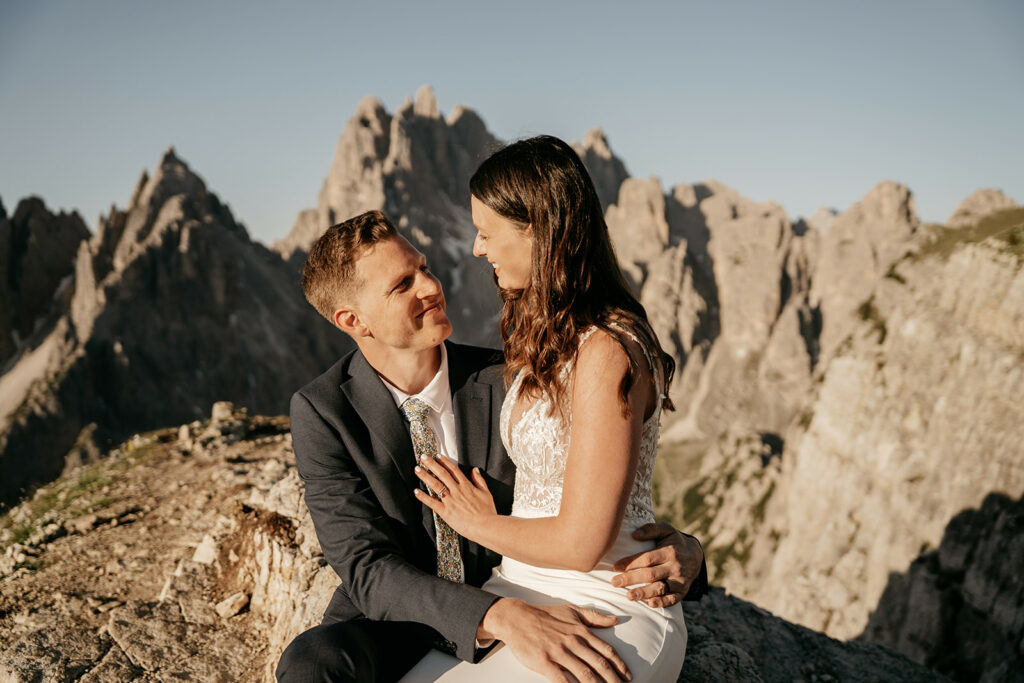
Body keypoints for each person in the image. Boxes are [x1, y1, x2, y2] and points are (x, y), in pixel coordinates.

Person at [277, 209, 707, 682]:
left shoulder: (512, 379)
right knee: (309, 665)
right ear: (353, 320)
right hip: (404, 618)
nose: (430, 286)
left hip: (517, 586)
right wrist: (500, 616)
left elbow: (594, 492)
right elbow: (367, 567)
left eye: (423, 267)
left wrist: (687, 553)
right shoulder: (322, 411)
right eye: (402, 285)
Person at [402, 136, 688, 682]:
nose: (476, 249)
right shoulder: (555, 336)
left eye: (487, 233)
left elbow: (584, 543)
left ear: (536, 229)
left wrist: (477, 523)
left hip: (607, 603)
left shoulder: (606, 349)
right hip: (516, 593)